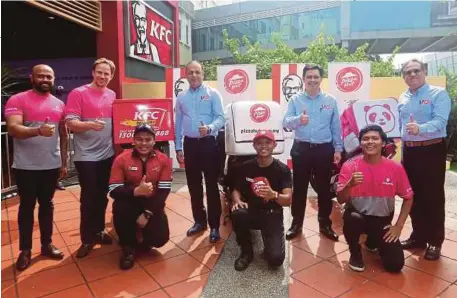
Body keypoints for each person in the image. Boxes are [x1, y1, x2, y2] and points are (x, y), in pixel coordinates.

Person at [4, 64, 68, 270]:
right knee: (26, 207)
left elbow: (63, 134)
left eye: (49, 76)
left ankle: (46, 244)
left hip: (51, 164)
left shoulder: (59, 103)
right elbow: (13, 129)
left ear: (54, 78)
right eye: (40, 76)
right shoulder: (18, 99)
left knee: (47, 205)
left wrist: (64, 161)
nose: (45, 79)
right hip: (26, 166)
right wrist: (38, 131)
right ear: (32, 78)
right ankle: (25, 250)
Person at [337, 125, 413, 273]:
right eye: (365, 139)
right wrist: (349, 185)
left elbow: (408, 198)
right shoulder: (349, 166)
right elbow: (340, 199)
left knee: (395, 266)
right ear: (360, 143)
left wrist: (398, 226)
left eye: (375, 138)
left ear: (383, 143)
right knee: (352, 218)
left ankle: (372, 241)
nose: (370, 142)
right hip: (358, 216)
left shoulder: (395, 168)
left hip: (382, 220)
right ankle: (355, 252)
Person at [398, 58, 451, 261]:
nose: (412, 75)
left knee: (433, 198)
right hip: (409, 152)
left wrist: (421, 129)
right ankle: (418, 236)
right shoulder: (402, 98)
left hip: (431, 150)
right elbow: (399, 124)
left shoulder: (438, 94)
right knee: (412, 196)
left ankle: (435, 242)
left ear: (424, 71)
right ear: (403, 76)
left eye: (416, 71)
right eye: (408, 72)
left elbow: (440, 122)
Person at [283, 63, 343, 241]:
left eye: (316, 77)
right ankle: (296, 223)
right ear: (304, 79)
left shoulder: (330, 100)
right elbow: (286, 122)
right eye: (309, 77)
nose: (312, 80)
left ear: (321, 79)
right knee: (300, 188)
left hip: (324, 149)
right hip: (301, 149)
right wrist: (298, 120)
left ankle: (325, 223)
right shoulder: (295, 100)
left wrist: (338, 148)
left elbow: (336, 127)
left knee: (324, 189)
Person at [65, 58, 116, 258]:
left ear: (111, 76)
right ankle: (86, 239)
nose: (103, 77)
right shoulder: (78, 93)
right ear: (93, 72)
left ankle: (99, 230)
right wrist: (89, 125)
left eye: (107, 74)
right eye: (100, 72)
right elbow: (70, 122)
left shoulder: (112, 94)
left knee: (102, 195)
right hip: (85, 155)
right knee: (89, 196)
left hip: (107, 154)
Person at [108, 123, 172, 270]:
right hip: (130, 202)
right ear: (133, 141)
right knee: (120, 206)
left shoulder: (163, 160)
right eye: (139, 139)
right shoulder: (121, 159)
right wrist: (136, 192)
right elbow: (112, 189)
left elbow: (164, 191)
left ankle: (142, 236)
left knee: (160, 240)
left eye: (148, 139)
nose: (143, 143)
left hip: (152, 203)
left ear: (154, 141)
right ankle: (128, 248)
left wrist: (147, 214)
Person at [174, 60, 225, 243]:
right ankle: (199, 222)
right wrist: (178, 147)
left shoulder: (213, 94)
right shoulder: (181, 97)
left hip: (209, 144)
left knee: (211, 187)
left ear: (203, 73)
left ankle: (214, 226)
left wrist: (210, 128)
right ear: (186, 75)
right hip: (190, 145)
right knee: (194, 186)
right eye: (190, 73)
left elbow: (221, 118)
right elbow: (178, 124)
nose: (194, 75)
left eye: (197, 72)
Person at [231, 130, 292, 271]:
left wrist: (274, 195)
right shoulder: (246, 166)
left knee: (276, 260)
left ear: (274, 145)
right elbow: (236, 189)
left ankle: (269, 243)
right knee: (237, 213)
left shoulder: (282, 169)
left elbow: (288, 200)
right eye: (259, 143)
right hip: (252, 210)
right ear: (254, 146)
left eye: (268, 142)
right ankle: (246, 252)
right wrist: (237, 200)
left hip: (272, 213)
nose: (263, 146)